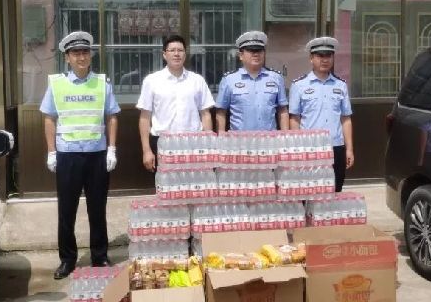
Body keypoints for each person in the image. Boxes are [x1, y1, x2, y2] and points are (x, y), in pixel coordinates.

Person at [39, 31, 120, 280]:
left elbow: (112, 116)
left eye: (85, 52)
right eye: (76, 53)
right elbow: (49, 119)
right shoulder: (57, 85)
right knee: (67, 211)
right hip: (68, 156)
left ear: (90, 55)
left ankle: (100, 256)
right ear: (67, 58)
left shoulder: (102, 84)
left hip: (97, 155)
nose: (81, 57)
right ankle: (67, 260)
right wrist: (51, 152)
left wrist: (112, 149)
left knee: (97, 209)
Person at [137, 35, 215, 172]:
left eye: (180, 50)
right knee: (165, 184)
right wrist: (146, 150)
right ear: (164, 54)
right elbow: (144, 117)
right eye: (172, 50)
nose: (176, 54)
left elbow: (205, 114)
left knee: (192, 184)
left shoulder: (197, 80)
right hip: (163, 143)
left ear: (185, 54)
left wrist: (208, 146)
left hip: (193, 143)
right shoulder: (152, 81)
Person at [289, 36, 354, 192]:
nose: (325, 60)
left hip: (336, 146)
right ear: (311, 58)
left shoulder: (340, 85)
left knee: (335, 190)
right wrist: (296, 148)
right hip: (310, 147)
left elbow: (346, 119)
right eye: (320, 55)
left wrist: (349, 149)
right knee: (308, 192)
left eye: (328, 55)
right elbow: (295, 119)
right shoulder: (299, 85)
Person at [215, 30, 289, 132]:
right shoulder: (229, 80)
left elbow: (282, 110)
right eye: (251, 51)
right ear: (241, 55)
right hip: (240, 139)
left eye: (259, 51)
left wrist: (285, 135)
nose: (256, 54)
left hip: (269, 138)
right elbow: (221, 111)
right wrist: (221, 136)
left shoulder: (276, 78)